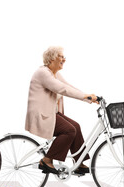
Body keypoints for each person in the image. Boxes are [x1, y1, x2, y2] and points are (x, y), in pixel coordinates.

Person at [25, 46, 98, 174]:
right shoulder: (43, 73)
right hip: (41, 115)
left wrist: (88, 97)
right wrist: (85, 97)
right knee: (69, 130)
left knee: (76, 126)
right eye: (61, 56)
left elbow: (67, 86)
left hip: (51, 113)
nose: (64, 59)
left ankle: (79, 162)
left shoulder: (55, 74)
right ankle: (47, 160)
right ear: (52, 59)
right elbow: (61, 89)